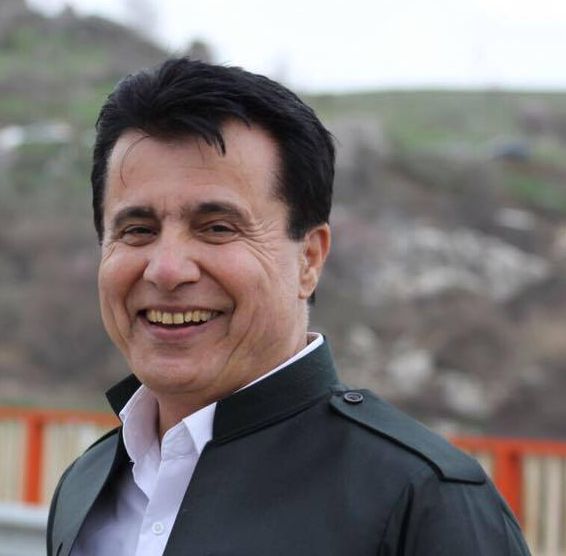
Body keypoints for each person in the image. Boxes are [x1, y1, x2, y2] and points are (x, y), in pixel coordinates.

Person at [47, 57, 531, 556]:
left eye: (217, 228)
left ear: (310, 259)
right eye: (137, 230)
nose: (167, 270)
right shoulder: (85, 487)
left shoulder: (422, 500)